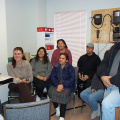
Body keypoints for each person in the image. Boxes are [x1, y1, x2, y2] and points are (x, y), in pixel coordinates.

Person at [48, 53, 75, 120]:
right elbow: (53, 77)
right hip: (56, 84)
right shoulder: (56, 66)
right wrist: (58, 85)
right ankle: (57, 108)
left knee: (64, 94)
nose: (60, 59)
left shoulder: (70, 68)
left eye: (63, 58)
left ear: (66, 60)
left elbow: (72, 79)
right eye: (60, 58)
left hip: (67, 85)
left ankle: (62, 116)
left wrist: (62, 85)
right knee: (51, 92)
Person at [97, 42, 120, 120]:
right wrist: (103, 76)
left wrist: (110, 80)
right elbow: (104, 63)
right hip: (109, 85)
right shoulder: (115, 47)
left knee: (107, 104)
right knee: (104, 111)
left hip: (117, 86)